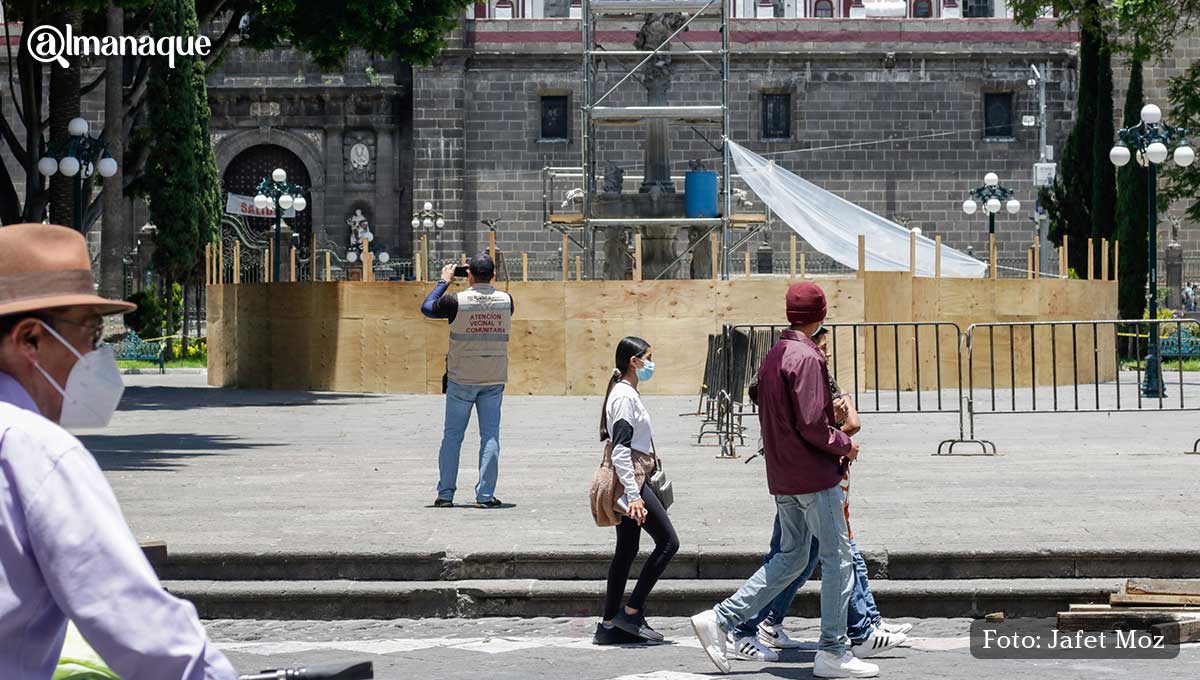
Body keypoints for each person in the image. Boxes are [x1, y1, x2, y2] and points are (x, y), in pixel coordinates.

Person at [0, 223, 237, 680]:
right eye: (89, 337)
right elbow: (137, 624)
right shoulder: (34, 451)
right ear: (30, 340)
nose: (96, 356)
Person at [690, 282, 879, 678]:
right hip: (812, 474)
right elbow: (813, 425)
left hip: (783, 474)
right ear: (821, 314)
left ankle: (721, 618)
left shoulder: (774, 355)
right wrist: (844, 443)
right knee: (838, 559)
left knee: (791, 557)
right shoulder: (808, 358)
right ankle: (832, 650)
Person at [730, 327, 908, 662]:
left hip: (811, 474)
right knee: (811, 556)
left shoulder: (812, 369)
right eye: (821, 344)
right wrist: (838, 436)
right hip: (805, 477)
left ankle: (856, 629)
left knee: (806, 556)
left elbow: (844, 418)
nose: (824, 351)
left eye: (825, 347)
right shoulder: (796, 367)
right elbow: (815, 427)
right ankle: (739, 625)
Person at [593, 337, 680, 645]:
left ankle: (608, 626)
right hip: (633, 479)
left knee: (627, 551)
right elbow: (620, 449)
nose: (651, 364)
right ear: (634, 361)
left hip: (635, 475)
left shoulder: (625, 392)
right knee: (669, 543)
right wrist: (634, 496)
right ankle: (631, 611)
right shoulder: (625, 397)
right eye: (648, 358)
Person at [421, 253, 514, 508]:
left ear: (469, 275)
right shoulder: (507, 300)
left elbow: (427, 308)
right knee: (490, 437)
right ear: (493, 275)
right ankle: (485, 496)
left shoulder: (455, 300)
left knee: (452, 437)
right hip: (493, 378)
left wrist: (444, 281)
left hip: (461, 378)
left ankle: (445, 494)